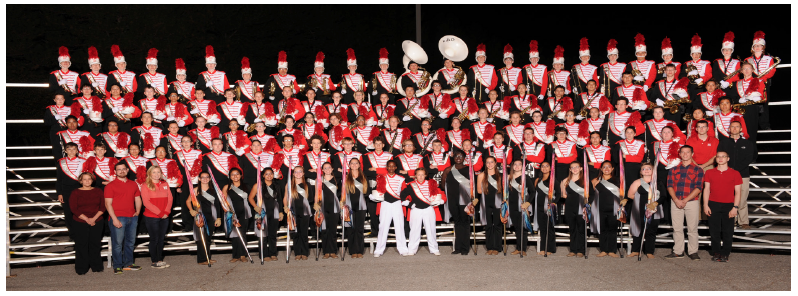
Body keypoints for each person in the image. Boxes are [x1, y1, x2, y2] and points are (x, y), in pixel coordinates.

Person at [665, 146, 704, 260]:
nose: (685, 154)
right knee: (677, 228)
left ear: (692, 153)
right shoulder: (673, 170)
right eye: (683, 152)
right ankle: (678, 251)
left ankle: (693, 251)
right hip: (676, 201)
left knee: (692, 228)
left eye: (687, 152)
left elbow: (698, 188)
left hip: (691, 202)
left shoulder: (698, 170)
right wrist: (676, 200)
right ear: (680, 154)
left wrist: (685, 200)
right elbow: (670, 186)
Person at [703, 151, 742, 262]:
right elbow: (706, 190)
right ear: (716, 159)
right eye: (718, 157)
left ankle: (725, 253)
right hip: (713, 204)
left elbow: (738, 192)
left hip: (729, 205)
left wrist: (735, 207)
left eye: (723, 156)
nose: (720, 158)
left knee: (727, 231)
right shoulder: (709, 172)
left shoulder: (735, 173)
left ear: (728, 159)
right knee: (714, 230)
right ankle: (716, 252)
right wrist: (705, 205)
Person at [717, 120, 757, 230]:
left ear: (741, 129)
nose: (734, 129)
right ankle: (731, 220)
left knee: (742, 198)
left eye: (737, 127)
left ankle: (743, 221)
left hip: (743, 174)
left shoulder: (748, 143)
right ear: (729, 129)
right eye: (732, 127)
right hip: (727, 174)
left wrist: (736, 170)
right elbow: (720, 157)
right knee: (729, 198)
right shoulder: (723, 143)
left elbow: (749, 158)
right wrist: (729, 170)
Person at [104, 162, 143, 274]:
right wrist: (114, 219)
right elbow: (108, 204)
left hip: (132, 217)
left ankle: (128, 263)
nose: (121, 171)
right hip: (118, 217)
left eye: (123, 169)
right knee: (117, 243)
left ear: (127, 170)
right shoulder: (110, 186)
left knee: (130, 242)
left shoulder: (133, 184)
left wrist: (138, 211)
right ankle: (117, 266)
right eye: (119, 169)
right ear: (115, 172)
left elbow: (137, 198)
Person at [402, 168, 445, 256]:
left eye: (422, 175)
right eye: (418, 175)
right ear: (415, 176)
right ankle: (412, 249)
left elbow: (441, 193)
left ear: (425, 175)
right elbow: (402, 195)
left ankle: (434, 249)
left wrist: (442, 200)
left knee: (431, 230)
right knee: (414, 230)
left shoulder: (431, 183)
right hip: (416, 210)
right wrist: (409, 204)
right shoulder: (411, 185)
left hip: (428, 209)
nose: (420, 177)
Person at [70, 172, 106, 274]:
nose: (87, 181)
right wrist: (87, 219)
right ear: (80, 181)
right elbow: (74, 208)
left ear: (92, 180)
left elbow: (102, 207)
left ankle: (96, 266)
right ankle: (82, 268)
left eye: (89, 179)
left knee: (95, 244)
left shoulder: (98, 191)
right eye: (84, 179)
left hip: (97, 220)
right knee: (81, 245)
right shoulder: (75, 192)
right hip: (80, 221)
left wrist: (93, 219)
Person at [372, 160, 409, 257]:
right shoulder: (381, 177)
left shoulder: (401, 178)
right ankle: (379, 249)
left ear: (396, 167)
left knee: (399, 226)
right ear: (387, 167)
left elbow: (404, 191)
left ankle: (402, 248)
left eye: (393, 166)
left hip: (397, 203)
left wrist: (406, 200)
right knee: (383, 226)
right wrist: (374, 195)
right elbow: (378, 189)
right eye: (389, 166)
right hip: (385, 203)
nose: (391, 168)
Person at [442, 150, 475, 255]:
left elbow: (473, 185)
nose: (458, 158)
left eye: (461, 156)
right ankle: (458, 247)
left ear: (464, 157)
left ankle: (465, 248)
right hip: (453, 200)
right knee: (457, 223)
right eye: (456, 156)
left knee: (465, 223)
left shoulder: (469, 169)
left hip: (465, 200)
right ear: (453, 157)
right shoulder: (448, 170)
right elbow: (443, 185)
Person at [140, 165, 173, 268]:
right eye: (154, 172)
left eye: (158, 172)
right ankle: (154, 261)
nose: (156, 174)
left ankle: (160, 259)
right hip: (152, 216)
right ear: (149, 174)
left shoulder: (165, 184)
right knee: (154, 238)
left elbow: (170, 198)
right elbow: (146, 202)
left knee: (161, 238)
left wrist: (166, 212)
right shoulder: (145, 185)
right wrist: (160, 213)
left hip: (165, 216)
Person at [627, 163, 662, 259]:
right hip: (639, 210)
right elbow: (630, 195)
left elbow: (663, 196)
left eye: (649, 168)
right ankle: (635, 250)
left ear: (653, 171)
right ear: (640, 172)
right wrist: (640, 202)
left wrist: (654, 204)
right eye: (644, 169)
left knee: (651, 230)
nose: (646, 170)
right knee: (638, 229)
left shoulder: (658, 183)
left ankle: (649, 251)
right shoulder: (637, 182)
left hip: (654, 209)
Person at [247, 167, 283, 262]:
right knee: (262, 234)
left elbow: (279, 199)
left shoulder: (277, 185)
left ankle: (273, 253)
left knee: (272, 234)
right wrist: (255, 206)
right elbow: (250, 198)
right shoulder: (258, 185)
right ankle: (264, 254)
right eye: (266, 174)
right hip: (261, 212)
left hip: (274, 212)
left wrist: (280, 212)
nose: (269, 175)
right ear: (263, 175)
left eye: (271, 173)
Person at [744, 31, 777, 130]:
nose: (757, 48)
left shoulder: (769, 58)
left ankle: (764, 125)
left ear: (763, 47)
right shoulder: (747, 59)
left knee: (764, 105)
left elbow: (772, 70)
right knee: (751, 105)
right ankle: (751, 125)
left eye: (760, 46)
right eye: (756, 46)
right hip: (750, 84)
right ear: (752, 48)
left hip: (764, 83)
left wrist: (762, 78)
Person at [188, 172, 222, 265]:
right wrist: (191, 210)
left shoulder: (213, 190)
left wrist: (219, 218)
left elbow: (218, 204)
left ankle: (207, 257)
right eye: (203, 177)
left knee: (208, 238)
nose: (205, 179)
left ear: (210, 179)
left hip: (211, 216)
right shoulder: (195, 190)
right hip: (200, 216)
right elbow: (188, 201)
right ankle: (202, 259)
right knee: (201, 238)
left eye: (207, 177)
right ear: (199, 179)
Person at [727, 62, 765, 143]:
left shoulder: (759, 81)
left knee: (751, 133)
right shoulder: (736, 83)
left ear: (752, 70)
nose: (747, 70)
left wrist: (757, 97)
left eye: (749, 68)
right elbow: (732, 97)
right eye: (744, 68)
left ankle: (751, 153)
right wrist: (738, 100)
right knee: (739, 132)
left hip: (752, 108)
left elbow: (762, 95)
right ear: (741, 71)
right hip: (739, 108)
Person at [146, 146, 183, 230]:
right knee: (157, 207)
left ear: (166, 153)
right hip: (156, 188)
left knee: (169, 208)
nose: (161, 153)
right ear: (155, 153)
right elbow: (147, 175)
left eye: (163, 151)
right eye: (158, 151)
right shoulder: (150, 162)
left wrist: (179, 183)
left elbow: (179, 174)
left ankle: (169, 228)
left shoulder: (172, 161)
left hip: (170, 187)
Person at [590, 161, 621, 258]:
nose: (606, 169)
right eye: (604, 167)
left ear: (612, 169)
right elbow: (590, 195)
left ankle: (612, 250)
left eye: (609, 167)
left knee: (612, 230)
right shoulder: (595, 180)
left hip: (614, 208)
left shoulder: (618, 180)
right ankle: (603, 249)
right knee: (602, 230)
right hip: (600, 208)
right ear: (601, 169)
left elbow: (622, 195)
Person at [283, 166, 314, 260]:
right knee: (295, 233)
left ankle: (304, 252)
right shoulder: (289, 185)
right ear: (293, 174)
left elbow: (311, 199)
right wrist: (285, 206)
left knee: (304, 232)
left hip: (305, 211)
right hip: (293, 211)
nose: (298, 173)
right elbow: (285, 197)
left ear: (303, 173)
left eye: (300, 171)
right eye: (296, 172)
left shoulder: (307, 185)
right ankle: (297, 252)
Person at [342, 158, 371, 258]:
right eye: (352, 163)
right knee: (351, 228)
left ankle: (359, 250)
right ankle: (352, 251)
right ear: (349, 165)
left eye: (356, 163)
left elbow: (368, 192)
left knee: (359, 228)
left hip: (361, 206)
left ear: (359, 165)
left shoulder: (363, 177)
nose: (354, 165)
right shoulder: (345, 178)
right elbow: (342, 193)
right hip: (349, 206)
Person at [222, 168, 252, 263]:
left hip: (244, 213)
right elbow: (223, 202)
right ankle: (235, 255)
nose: (235, 176)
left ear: (241, 175)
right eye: (233, 175)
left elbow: (251, 199)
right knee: (234, 234)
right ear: (229, 177)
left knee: (242, 233)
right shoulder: (227, 187)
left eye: (237, 174)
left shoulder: (246, 186)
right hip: (232, 213)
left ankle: (243, 255)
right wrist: (229, 214)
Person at [57, 142, 86, 236]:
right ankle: (72, 234)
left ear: (77, 151)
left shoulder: (83, 161)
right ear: (65, 151)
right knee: (68, 212)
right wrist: (59, 193)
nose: (71, 151)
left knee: (81, 211)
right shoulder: (61, 162)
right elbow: (59, 179)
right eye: (69, 149)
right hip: (66, 191)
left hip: (80, 189)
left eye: (74, 149)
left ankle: (81, 232)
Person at [175, 135, 203, 232]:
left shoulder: (198, 153)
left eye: (188, 141)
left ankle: (200, 222)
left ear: (192, 143)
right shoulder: (177, 154)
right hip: (184, 181)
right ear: (181, 143)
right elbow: (177, 170)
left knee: (198, 202)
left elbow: (200, 166)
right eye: (184, 141)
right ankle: (187, 225)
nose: (186, 143)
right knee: (184, 203)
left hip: (196, 181)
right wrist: (179, 184)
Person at [476, 156, 503, 255]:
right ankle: (490, 247)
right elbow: (479, 190)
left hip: (498, 203)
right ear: (485, 164)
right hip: (486, 203)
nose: (490, 164)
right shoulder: (481, 175)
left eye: (492, 162)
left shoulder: (500, 175)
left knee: (497, 225)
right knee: (488, 226)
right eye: (488, 162)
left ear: (495, 163)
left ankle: (497, 247)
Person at [560, 161, 586, 257]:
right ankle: (573, 249)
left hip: (581, 206)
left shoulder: (585, 180)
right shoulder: (565, 181)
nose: (575, 169)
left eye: (577, 167)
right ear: (570, 169)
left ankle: (581, 250)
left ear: (581, 168)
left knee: (581, 229)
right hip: (570, 207)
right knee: (572, 229)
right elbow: (564, 195)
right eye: (572, 167)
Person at [317, 162, 340, 259]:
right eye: (325, 168)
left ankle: (333, 251)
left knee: (333, 230)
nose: (327, 169)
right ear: (322, 170)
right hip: (323, 207)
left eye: (329, 167)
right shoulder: (319, 180)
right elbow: (316, 194)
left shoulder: (337, 180)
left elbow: (341, 193)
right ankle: (326, 251)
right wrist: (315, 204)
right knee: (325, 230)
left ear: (332, 168)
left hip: (334, 207)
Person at [533, 161, 555, 255]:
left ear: (550, 168)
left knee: (549, 228)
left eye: (547, 166)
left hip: (549, 206)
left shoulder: (553, 180)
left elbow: (558, 194)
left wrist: (553, 203)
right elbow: (535, 193)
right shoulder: (537, 180)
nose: (545, 168)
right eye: (543, 166)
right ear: (540, 168)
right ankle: (543, 248)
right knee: (542, 228)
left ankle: (550, 249)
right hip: (540, 206)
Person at [618, 126, 647, 192]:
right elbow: (618, 159)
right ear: (625, 134)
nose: (629, 134)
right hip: (624, 169)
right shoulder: (619, 144)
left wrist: (626, 157)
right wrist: (633, 157)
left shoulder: (640, 144)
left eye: (631, 132)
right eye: (627, 132)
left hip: (636, 170)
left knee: (635, 188)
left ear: (634, 134)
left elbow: (639, 159)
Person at [46, 94, 74, 161]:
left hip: (68, 132)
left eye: (61, 98)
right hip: (55, 133)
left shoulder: (70, 109)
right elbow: (47, 123)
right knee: (58, 152)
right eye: (58, 99)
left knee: (70, 150)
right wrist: (54, 118)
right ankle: (60, 167)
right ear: (54, 100)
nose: (60, 100)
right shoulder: (50, 109)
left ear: (64, 100)